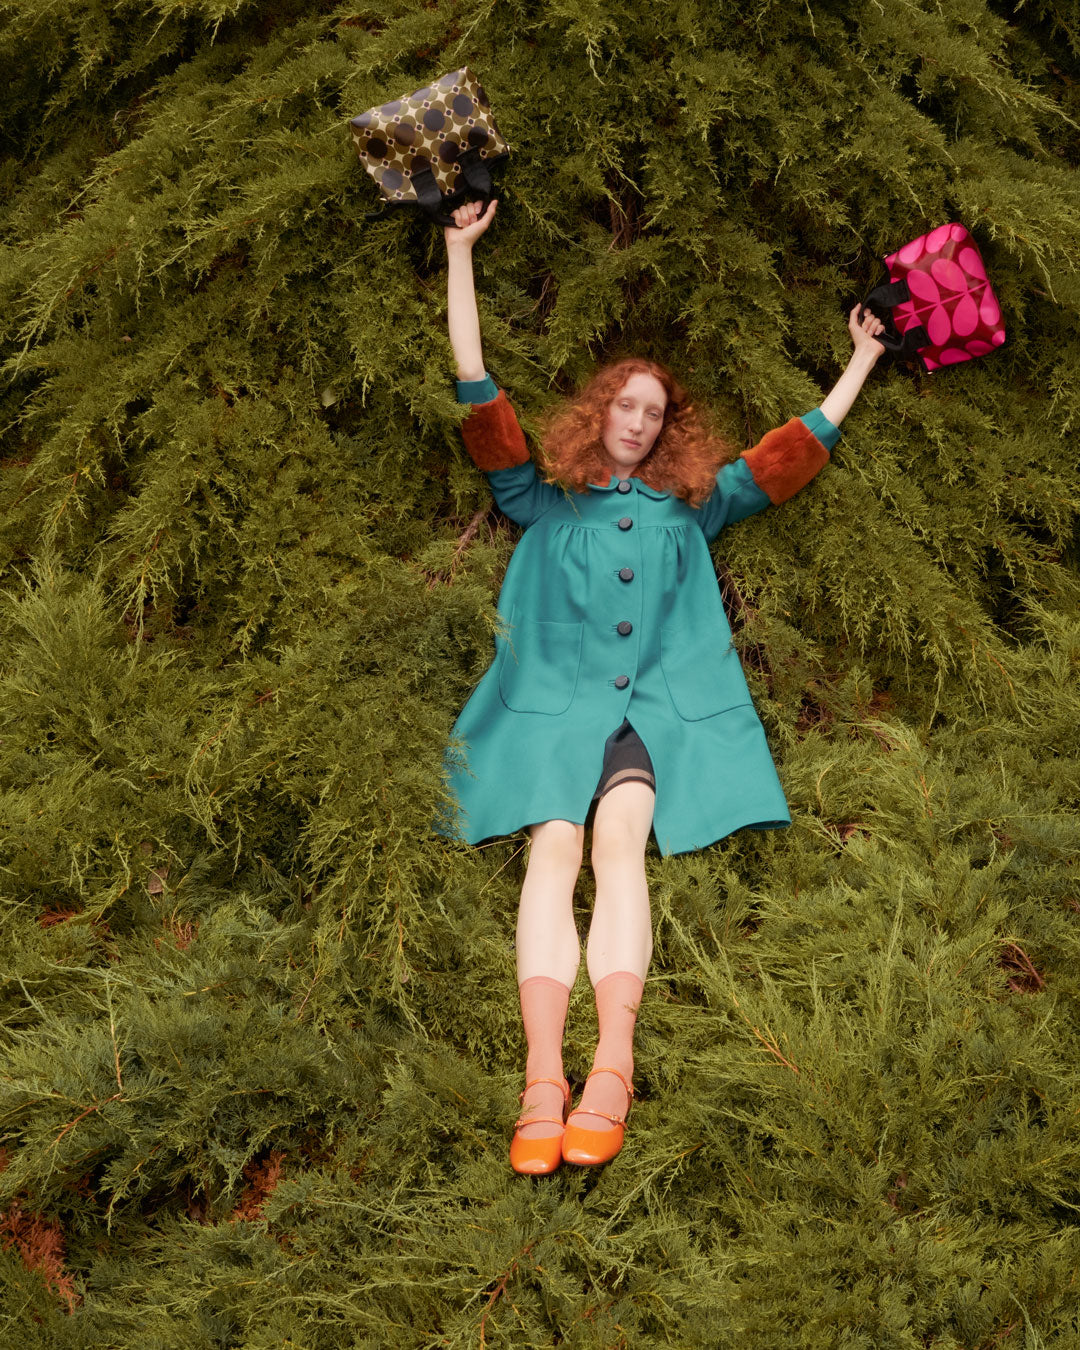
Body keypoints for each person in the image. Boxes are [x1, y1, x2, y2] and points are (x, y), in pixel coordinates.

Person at [440, 197, 886, 1174]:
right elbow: (477, 388)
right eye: (624, 406)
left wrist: (862, 357)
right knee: (551, 853)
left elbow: (793, 451)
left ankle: (613, 1066)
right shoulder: (541, 498)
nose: (637, 422)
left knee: (620, 850)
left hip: (651, 717)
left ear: (666, 426)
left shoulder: (697, 504)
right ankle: (541, 1080)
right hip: (554, 711)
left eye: (654, 411)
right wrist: (458, 251)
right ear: (600, 413)